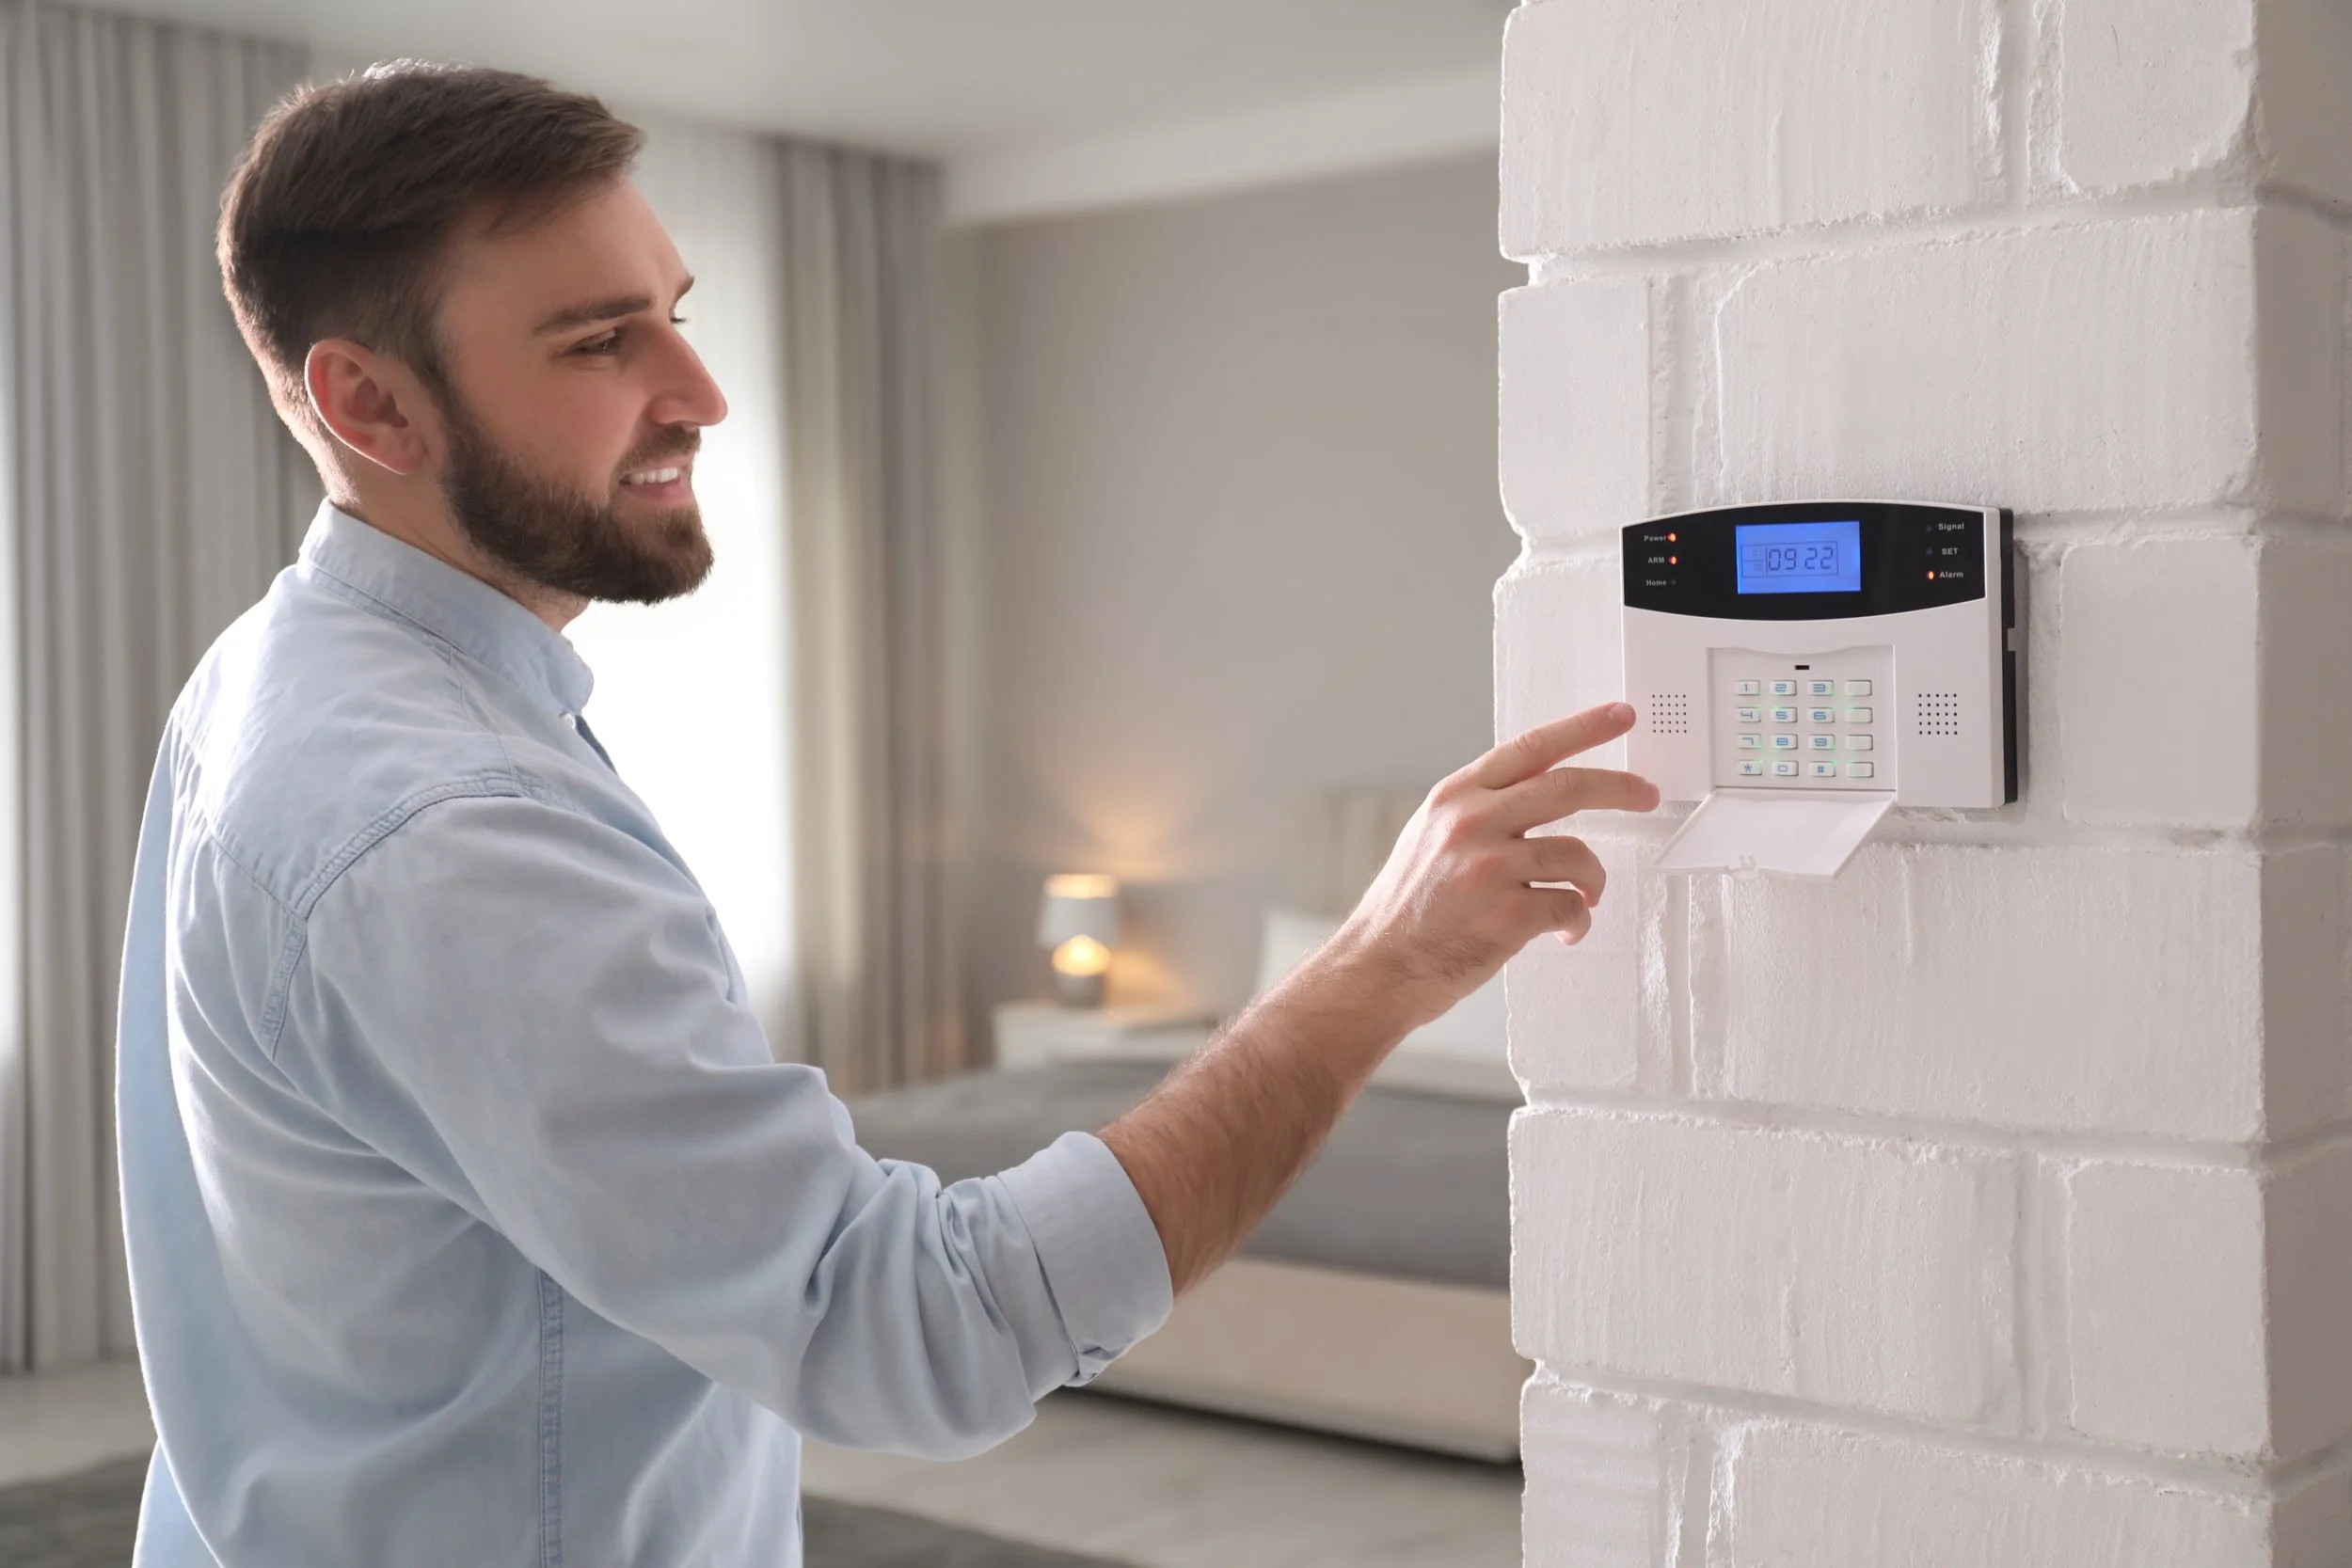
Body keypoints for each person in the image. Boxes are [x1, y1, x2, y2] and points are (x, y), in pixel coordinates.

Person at [114, 61, 1659, 1567]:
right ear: (369, 402)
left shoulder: (272, 673)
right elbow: (922, 1328)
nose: (702, 394)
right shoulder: (444, 821)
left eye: (677, 315)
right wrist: (1376, 962)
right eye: (601, 342)